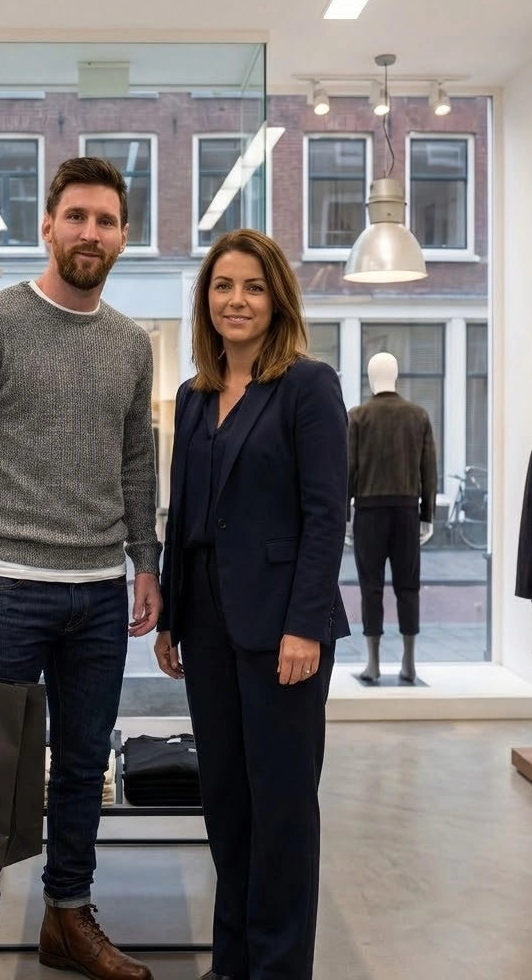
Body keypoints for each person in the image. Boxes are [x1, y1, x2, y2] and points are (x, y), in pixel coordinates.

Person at [0, 156, 161, 980]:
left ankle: (68, 916)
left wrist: (146, 561)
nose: (90, 233)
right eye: (77, 217)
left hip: (98, 593)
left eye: (106, 221)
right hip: (2, 588)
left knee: (86, 764)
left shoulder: (131, 344)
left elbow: (138, 461)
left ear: (123, 238)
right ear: (48, 226)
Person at [153, 228, 349, 980]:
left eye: (254, 287)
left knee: (283, 810)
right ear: (206, 298)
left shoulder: (307, 386)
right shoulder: (194, 396)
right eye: (223, 285)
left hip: (282, 627)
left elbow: (327, 514)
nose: (237, 300)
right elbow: (183, 511)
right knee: (227, 804)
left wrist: (305, 624)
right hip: (205, 622)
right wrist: (172, 616)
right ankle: (231, 963)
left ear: (278, 300)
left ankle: (278, 969)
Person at [347, 352, 437, 683]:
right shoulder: (418, 416)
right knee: (408, 587)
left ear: (371, 378)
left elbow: (348, 469)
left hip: (368, 512)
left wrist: (344, 515)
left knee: (370, 587)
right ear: (396, 376)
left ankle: (372, 663)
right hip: (406, 511)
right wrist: (427, 514)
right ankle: (409, 662)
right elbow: (429, 470)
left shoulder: (358, 417)